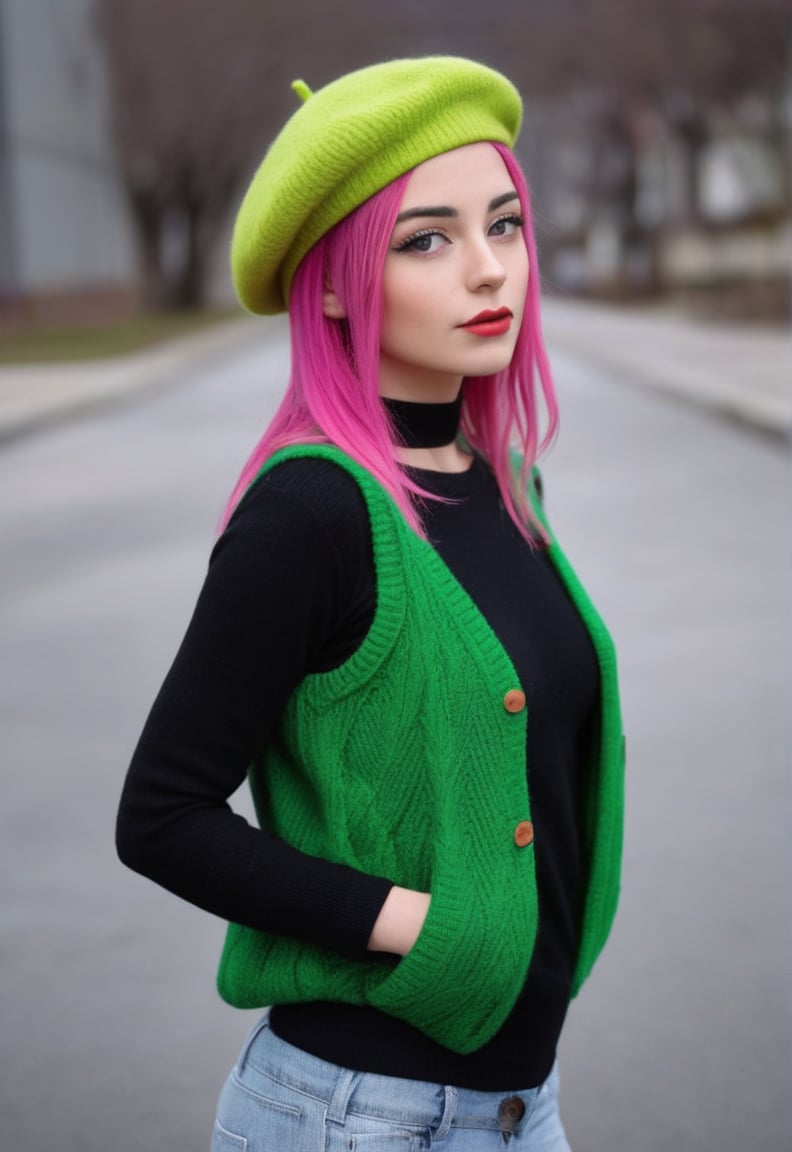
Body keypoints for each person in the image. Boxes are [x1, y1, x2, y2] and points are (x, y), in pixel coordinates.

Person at [116, 56, 625, 1152]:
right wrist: (423, 928)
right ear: (339, 283)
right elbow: (161, 816)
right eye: (428, 240)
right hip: (361, 1115)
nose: (490, 272)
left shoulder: (504, 482)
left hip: (518, 1108)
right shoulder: (312, 513)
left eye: (505, 225)